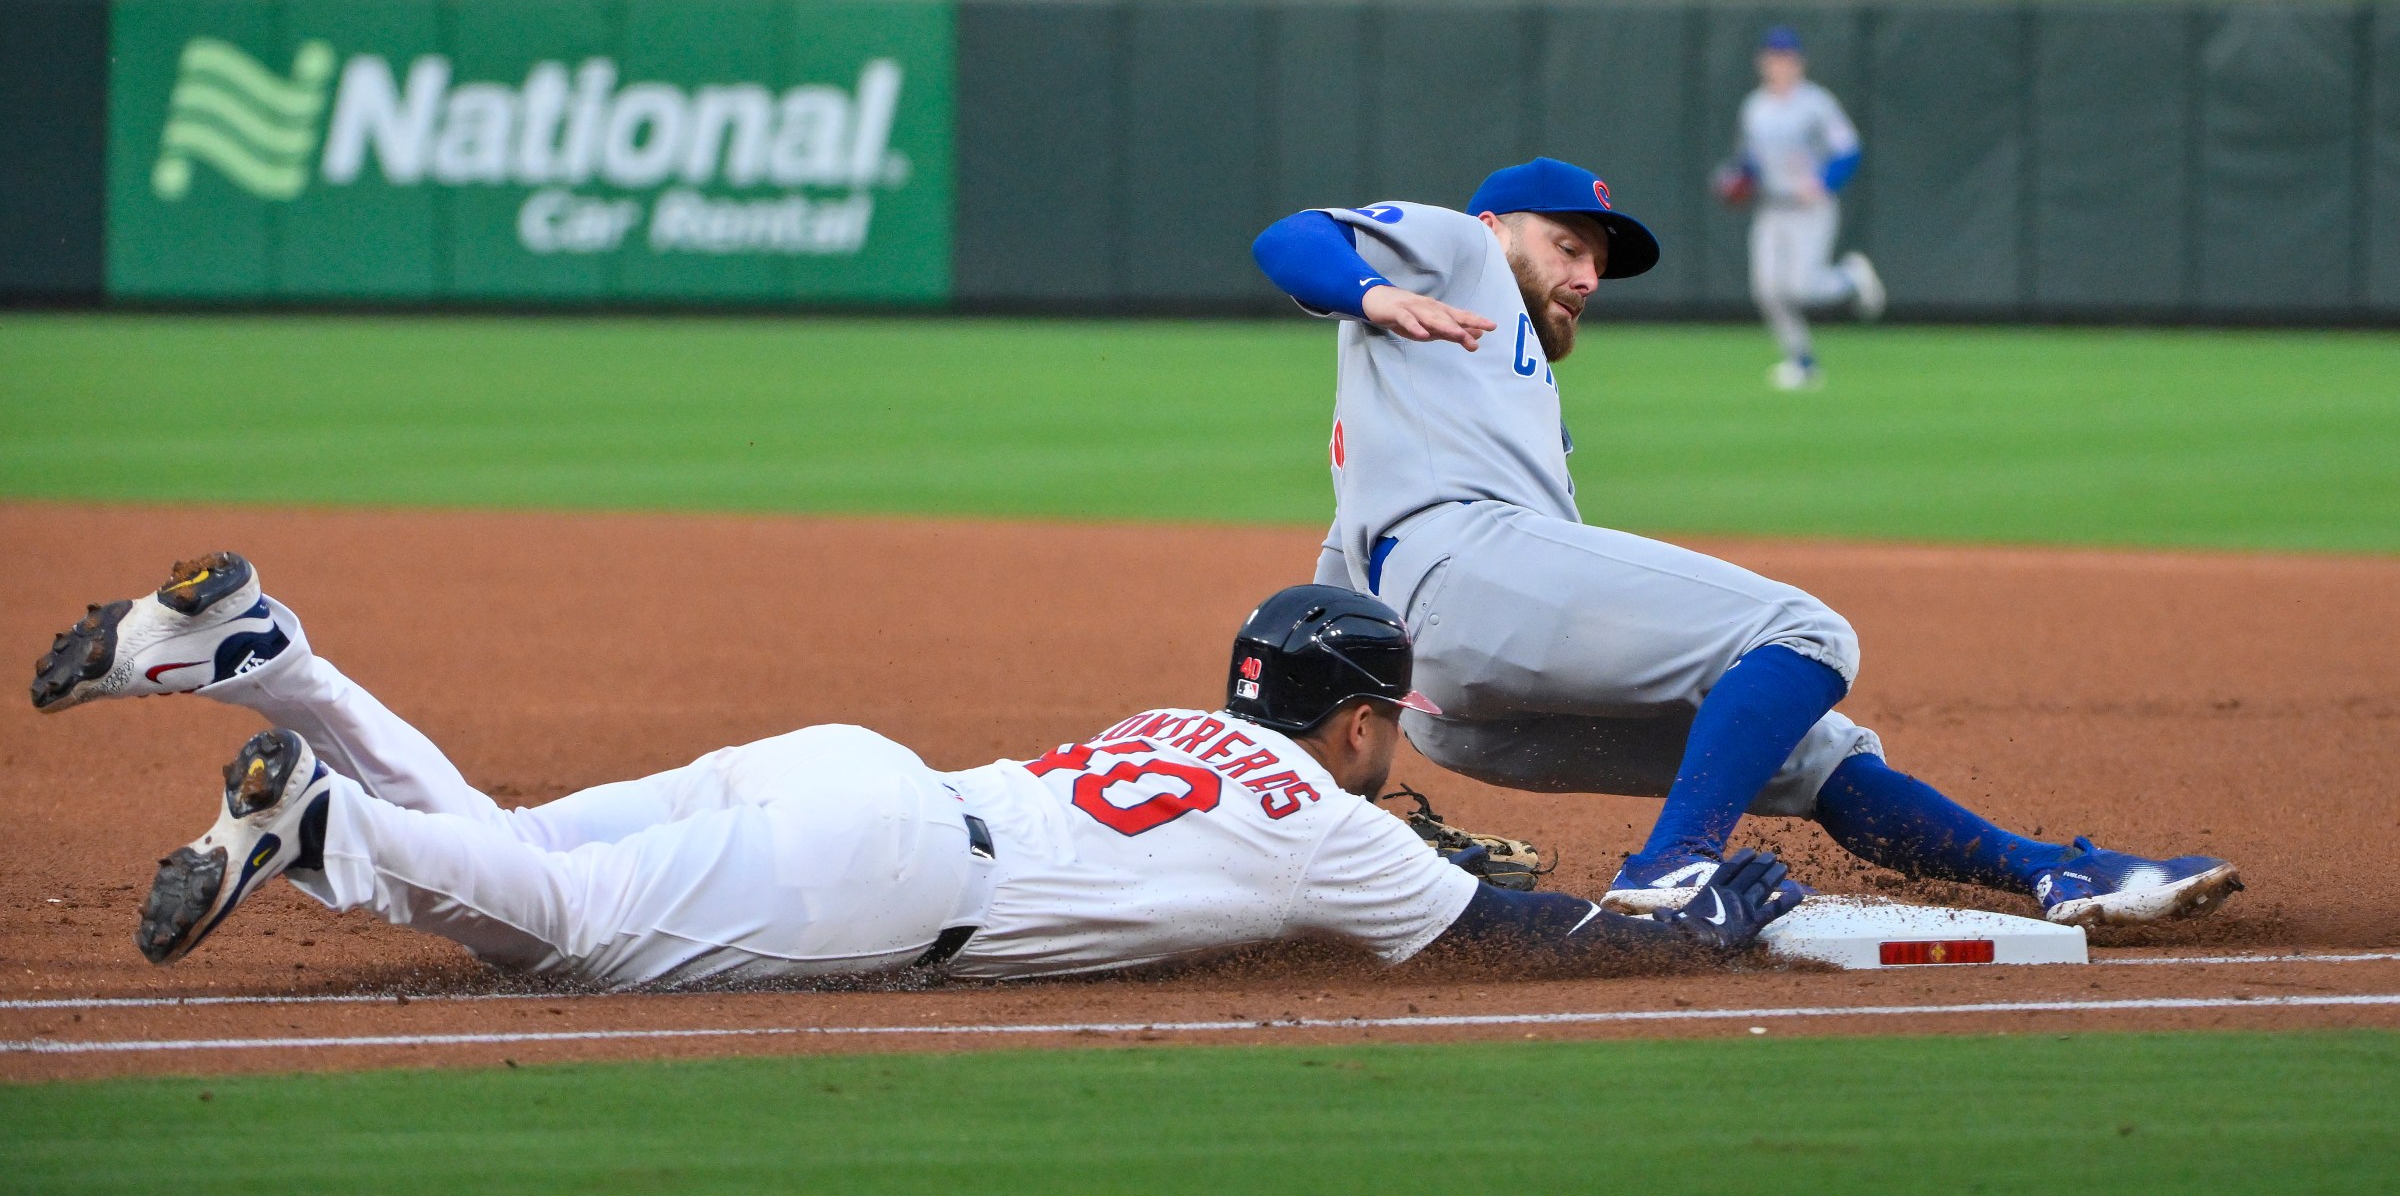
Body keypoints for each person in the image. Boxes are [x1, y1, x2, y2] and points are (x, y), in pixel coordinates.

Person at [1249, 159, 2241, 926]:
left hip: (1458, 700)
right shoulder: (1456, 251)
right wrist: (1371, 292)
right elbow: (1293, 236)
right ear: (1497, 227)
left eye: (1599, 263)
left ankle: (2050, 871)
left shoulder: (1462, 399)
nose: (1588, 276)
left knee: (1807, 750)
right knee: (1804, 633)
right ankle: (1674, 865)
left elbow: (1346, 584)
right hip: (1469, 578)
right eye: (1568, 246)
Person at [33, 556, 1798, 987]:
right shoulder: (1337, 830)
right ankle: (325, 814)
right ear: (1356, 722)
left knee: (502, 844)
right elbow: (1533, 935)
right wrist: (1690, 913)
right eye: (1388, 719)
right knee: (558, 922)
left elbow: (1299, 802)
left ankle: (279, 657)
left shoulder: (1151, 724)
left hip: (848, 768)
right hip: (891, 870)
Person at [1719, 26, 1885, 390]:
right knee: (1765, 289)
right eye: (1773, 58)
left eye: (1786, 58)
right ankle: (1803, 362)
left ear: (1799, 63)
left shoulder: (1816, 103)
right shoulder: (1755, 107)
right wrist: (1735, 177)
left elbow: (1848, 149)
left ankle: (1851, 277)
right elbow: (1749, 160)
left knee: (1800, 288)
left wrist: (1825, 182)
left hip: (1811, 208)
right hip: (1772, 207)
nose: (1779, 65)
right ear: (1762, 62)